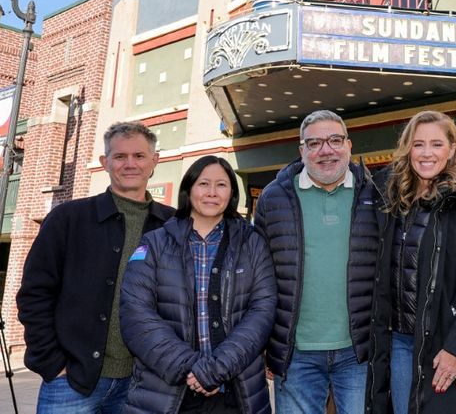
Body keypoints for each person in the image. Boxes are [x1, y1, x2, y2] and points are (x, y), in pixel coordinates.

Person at [17, 121, 174, 412]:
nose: (130, 164)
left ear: (154, 161)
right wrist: (52, 362)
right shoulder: (68, 218)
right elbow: (34, 294)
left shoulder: (173, 225)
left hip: (143, 383)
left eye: (139, 156)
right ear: (105, 162)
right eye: (120, 156)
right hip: (72, 381)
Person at [366, 110, 456, 414]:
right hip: (400, 344)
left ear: (453, 148)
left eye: (437, 144)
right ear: (407, 149)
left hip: (446, 344)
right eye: (418, 144)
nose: (427, 153)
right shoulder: (390, 199)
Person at [120, 155, 276, 413]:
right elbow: (135, 314)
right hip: (167, 393)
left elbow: (263, 309)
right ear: (189, 189)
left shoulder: (252, 242)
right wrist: (191, 368)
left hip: (236, 394)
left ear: (232, 194)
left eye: (221, 185)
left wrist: (216, 369)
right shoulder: (154, 243)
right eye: (204, 184)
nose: (212, 193)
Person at [253, 110, 379, 414]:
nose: (326, 150)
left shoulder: (376, 195)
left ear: (349, 145)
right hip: (295, 353)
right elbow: (258, 277)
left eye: (335, 140)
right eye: (314, 143)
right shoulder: (274, 198)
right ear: (302, 151)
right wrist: (262, 345)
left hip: (359, 351)